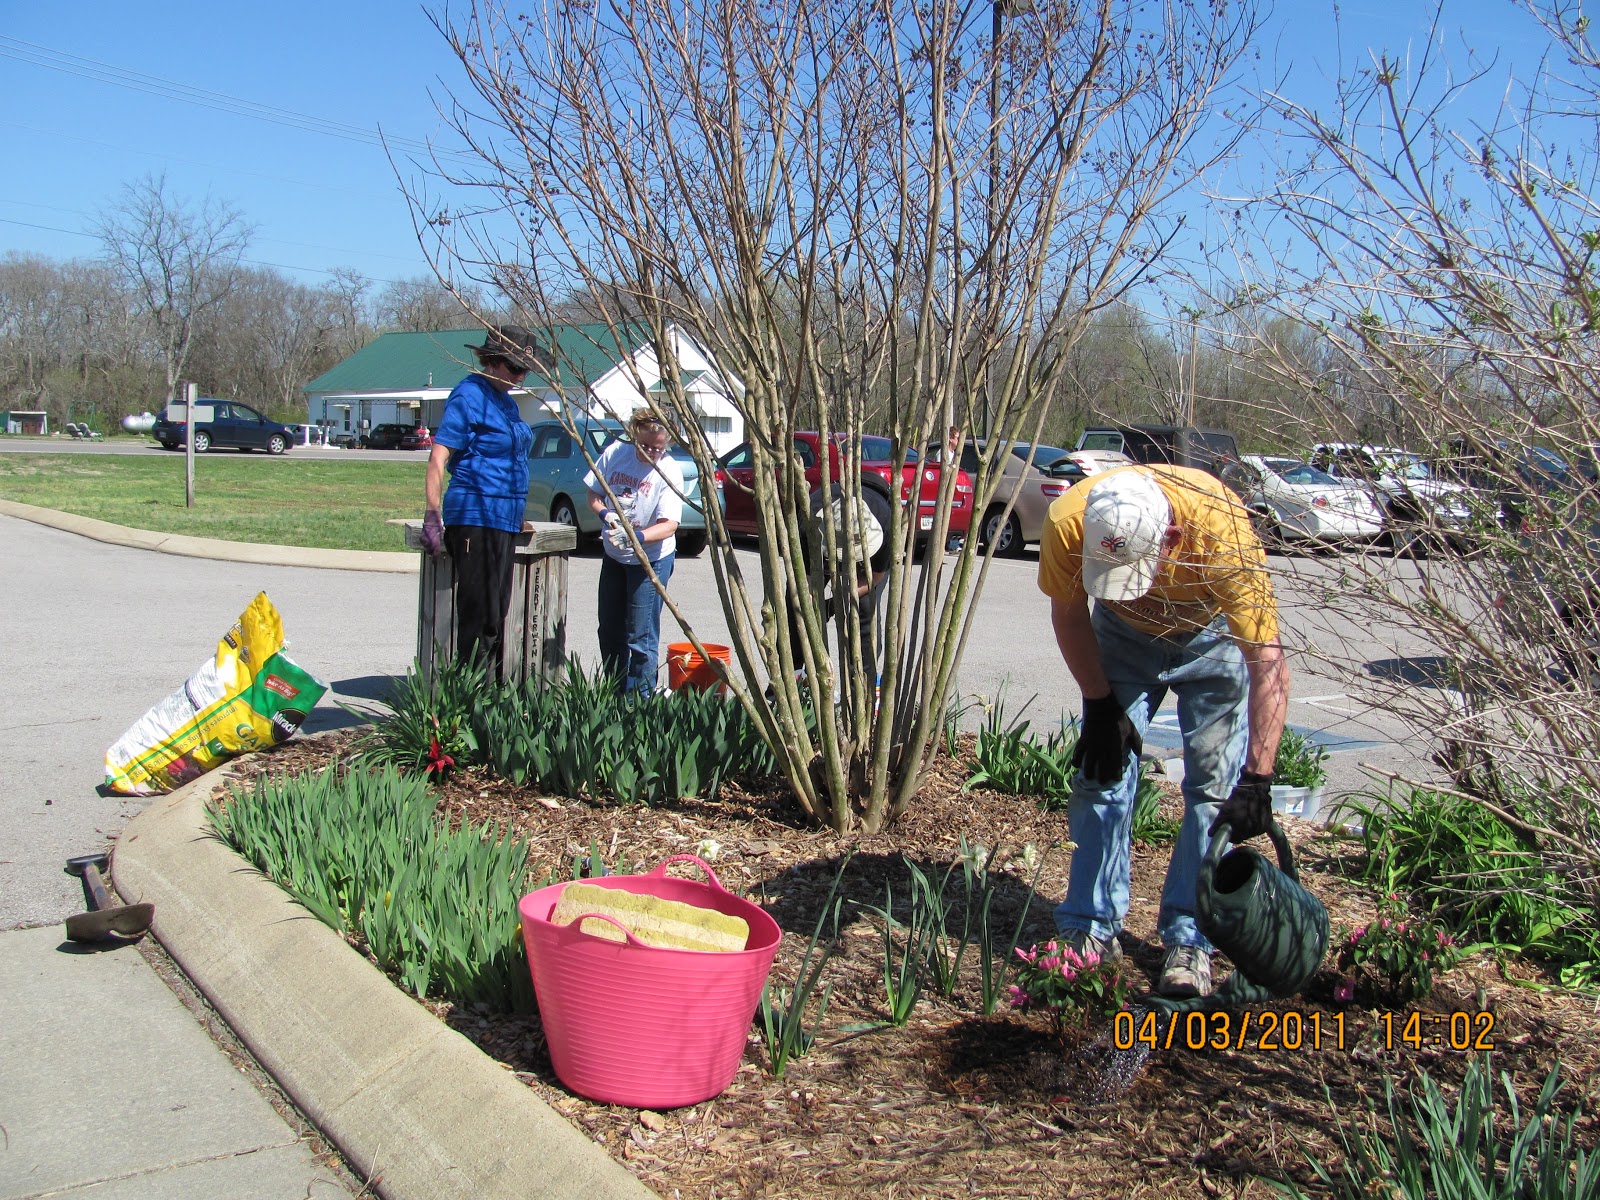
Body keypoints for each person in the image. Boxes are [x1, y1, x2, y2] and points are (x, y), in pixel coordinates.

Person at [1036, 463, 1290, 999]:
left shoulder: (1223, 533)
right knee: (1102, 775)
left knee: (1214, 792)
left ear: (1171, 537)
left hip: (1211, 634)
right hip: (1122, 637)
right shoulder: (1069, 520)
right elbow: (1069, 615)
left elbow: (1267, 663)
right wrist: (1099, 703)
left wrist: (1257, 779)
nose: (1128, 587)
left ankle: (1191, 938)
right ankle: (1089, 926)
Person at [421, 324, 545, 675]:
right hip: (475, 513)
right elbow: (438, 457)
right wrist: (432, 514)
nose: (521, 376)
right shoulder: (469, 396)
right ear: (492, 360)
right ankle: (471, 695)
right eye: (515, 367)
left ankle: (490, 694)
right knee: (480, 616)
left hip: (503, 517)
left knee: (497, 612)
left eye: (526, 369)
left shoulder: (505, 401)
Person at [586, 410, 685, 694]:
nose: (651, 452)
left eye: (658, 448)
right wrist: (605, 514)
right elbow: (593, 493)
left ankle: (641, 700)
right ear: (634, 434)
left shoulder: (668, 471)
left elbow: (669, 526)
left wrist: (636, 537)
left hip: (651, 559)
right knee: (610, 628)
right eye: (645, 445)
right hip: (614, 556)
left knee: (641, 636)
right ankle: (615, 693)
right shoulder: (616, 453)